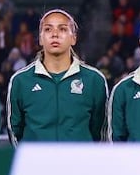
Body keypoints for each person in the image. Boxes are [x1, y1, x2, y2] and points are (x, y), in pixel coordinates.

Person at [6, 8, 108, 143]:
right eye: (48, 29)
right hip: (36, 163)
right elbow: (15, 131)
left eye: (63, 29)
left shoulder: (94, 80)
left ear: (74, 38)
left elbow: (100, 132)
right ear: (40, 38)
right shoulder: (21, 81)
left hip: (80, 163)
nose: (55, 34)